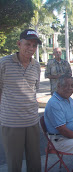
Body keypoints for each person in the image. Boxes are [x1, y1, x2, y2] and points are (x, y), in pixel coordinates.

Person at [0, 29, 42, 172]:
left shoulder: (36, 66)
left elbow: (34, 90)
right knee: (14, 164)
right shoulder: (4, 63)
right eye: (27, 44)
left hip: (32, 121)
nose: (31, 48)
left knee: (35, 162)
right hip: (11, 122)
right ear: (19, 44)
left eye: (34, 46)